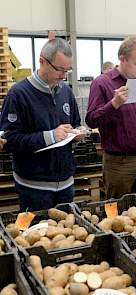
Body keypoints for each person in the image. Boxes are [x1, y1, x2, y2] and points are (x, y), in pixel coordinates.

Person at [0, 38, 86, 211]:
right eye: (59, 69)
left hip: (65, 184)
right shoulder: (18, 94)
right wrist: (51, 136)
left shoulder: (66, 91)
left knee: (67, 235)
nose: (63, 76)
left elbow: (75, 123)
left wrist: (78, 133)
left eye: (67, 70)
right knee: (36, 235)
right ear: (42, 61)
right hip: (34, 187)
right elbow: (9, 140)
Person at [86, 37, 136, 199]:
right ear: (122, 59)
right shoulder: (102, 83)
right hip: (119, 163)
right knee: (119, 213)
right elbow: (91, 120)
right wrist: (114, 103)